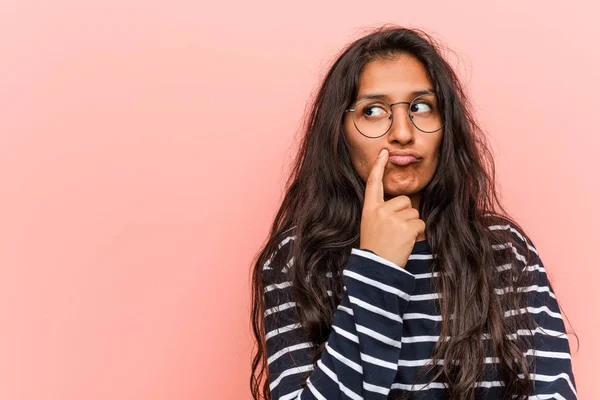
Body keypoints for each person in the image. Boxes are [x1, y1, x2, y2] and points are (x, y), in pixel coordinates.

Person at [249, 25, 577, 400]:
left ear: (446, 125)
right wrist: (377, 269)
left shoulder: (507, 253)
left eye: (421, 106)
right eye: (373, 111)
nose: (403, 132)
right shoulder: (296, 260)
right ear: (339, 132)